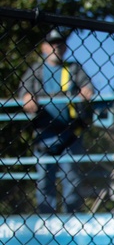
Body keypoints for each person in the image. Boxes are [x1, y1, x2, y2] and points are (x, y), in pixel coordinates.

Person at [18, 28, 94, 214]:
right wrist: (27, 97)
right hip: (45, 133)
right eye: (52, 44)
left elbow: (87, 87)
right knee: (44, 180)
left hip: (70, 133)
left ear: (65, 47)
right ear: (44, 47)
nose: (56, 47)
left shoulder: (74, 68)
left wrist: (86, 91)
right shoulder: (36, 69)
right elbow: (24, 92)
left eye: (60, 44)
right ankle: (46, 222)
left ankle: (72, 219)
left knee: (72, 180)